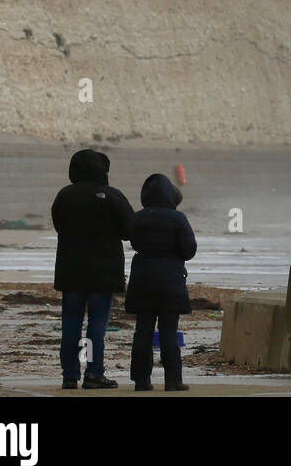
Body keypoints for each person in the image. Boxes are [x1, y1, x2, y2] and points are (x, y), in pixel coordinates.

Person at [51, 149, 134, 390]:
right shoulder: (112, 196)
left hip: (71, 270)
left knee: (71, 322)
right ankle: (94, 373)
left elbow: (59, 225)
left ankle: (69, 375)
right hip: (104, 272)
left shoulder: (64, 196)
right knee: (97, 323)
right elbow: (129, 231)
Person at [126, 173, 197, 392]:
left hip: (143, 278)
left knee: (143, 331)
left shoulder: (137, 218)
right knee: (168, 332)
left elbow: (133, 240)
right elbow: (189, 250)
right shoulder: (178, 219)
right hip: (170, 280)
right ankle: (173, 380)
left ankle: (141, 380)